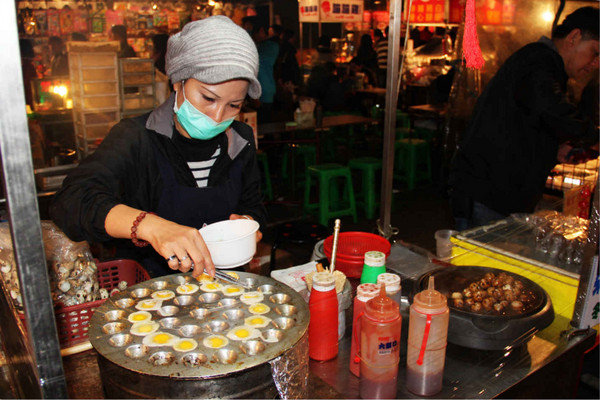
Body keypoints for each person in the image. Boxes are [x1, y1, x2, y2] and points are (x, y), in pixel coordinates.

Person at [50, 16, 266, 278]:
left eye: (234, 105)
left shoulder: (240, 140)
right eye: (208, 98)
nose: (218, 116)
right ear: (178, 82)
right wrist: (150, 226)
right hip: (149, 292)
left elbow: (253, 204)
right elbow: (71, 201)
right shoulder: (135, 138)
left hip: (224, 287)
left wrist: (247, 225)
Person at [449, 7, 599, 230]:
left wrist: (552, 149)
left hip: (499, 191)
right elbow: (552, 109)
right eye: (595, 53)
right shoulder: (538, 60)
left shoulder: (545, 65)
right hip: (488, 192)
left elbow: (527, 122)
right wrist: (593, 135)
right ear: (574, 37)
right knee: (480, 261)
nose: (596, 64)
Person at [242, 16, 279, 123]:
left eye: (252, 32)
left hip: (263, 94)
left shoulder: (271, 46)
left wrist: (255, 96)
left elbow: (252, 60)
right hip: (260, 93)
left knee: (264, 128)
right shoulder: (262, 46)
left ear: (261, 31)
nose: (251, 36)